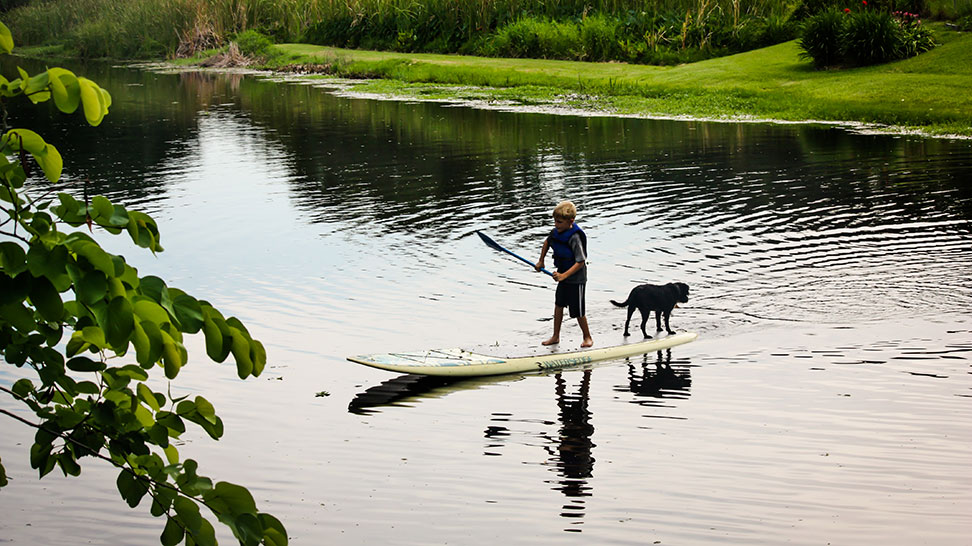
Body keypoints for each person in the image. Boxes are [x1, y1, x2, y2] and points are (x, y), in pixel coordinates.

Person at [535, 201, 594, 348]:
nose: (556, 224)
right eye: (555, 221)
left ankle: (587, 337)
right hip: (563, 276)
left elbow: (580, 261)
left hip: (576, 279)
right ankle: (555, 336)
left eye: (559, 222)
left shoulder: (575, 237)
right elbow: (547, 242)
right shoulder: (556, 232)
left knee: (578, 310)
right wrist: (541, 261)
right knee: (559, 304)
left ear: (571, 221)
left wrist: (564, 276)